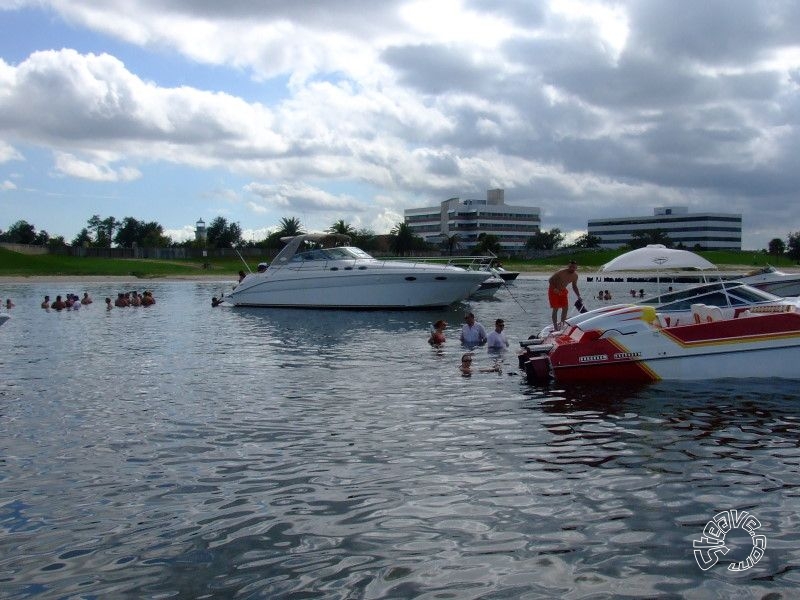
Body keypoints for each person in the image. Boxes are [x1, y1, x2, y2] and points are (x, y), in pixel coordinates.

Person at [548, 261, 581, 330]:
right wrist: (554, 288)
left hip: (563, 291)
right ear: (568, 266)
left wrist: (578, 296)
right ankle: (555, 327)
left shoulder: (575, 276)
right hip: (554, 290)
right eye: (570, 267)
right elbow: (550, 280)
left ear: (576, 268)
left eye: (574, 267)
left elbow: (574, 286)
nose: (572, 268)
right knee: (555, 308)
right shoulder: (561, 272)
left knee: (565, 308)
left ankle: (562, 325)